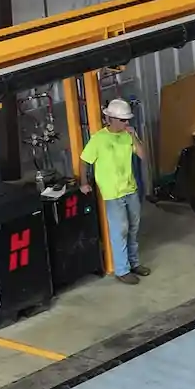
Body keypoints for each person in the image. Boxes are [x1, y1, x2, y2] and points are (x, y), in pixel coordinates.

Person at [80, 97, 146, 285]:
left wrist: (134, 135)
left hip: (130, 189)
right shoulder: (99, 139)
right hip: (112, 193)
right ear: (112, 119)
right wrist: (84, 182)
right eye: (123, 120)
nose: (127, 123)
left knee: (134, 227)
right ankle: (122, 270)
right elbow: (84, 161)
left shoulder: (127, 136)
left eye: (127, 120)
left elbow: (142, 155)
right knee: (120, 230)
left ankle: (134, 263)